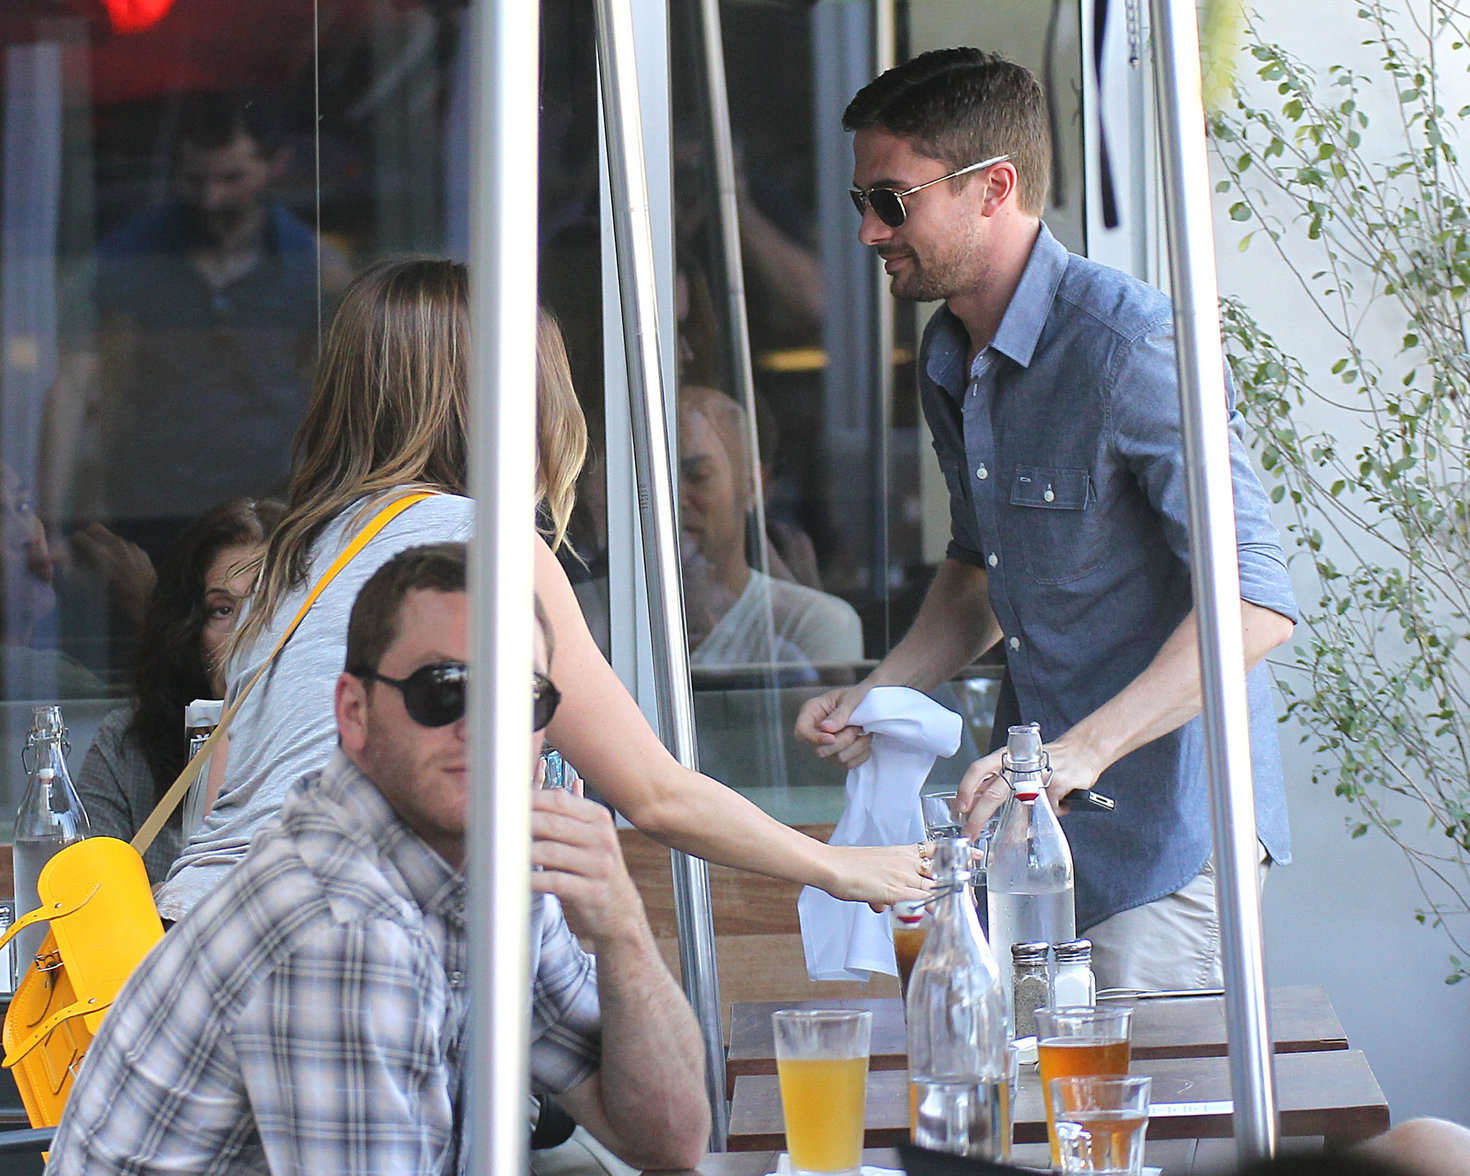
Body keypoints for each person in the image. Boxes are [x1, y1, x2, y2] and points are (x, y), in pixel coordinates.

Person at [155, 256, 923, 923]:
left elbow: (229, 800)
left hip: (198, 932)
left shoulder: (301, 552)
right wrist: (841, 868)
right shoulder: (481, 545)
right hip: (325, 939)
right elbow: (654, 793)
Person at [796, 49, 1299, 990]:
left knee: (1133, 1094)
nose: (868, 229)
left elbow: (1255, 605)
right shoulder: (947, 354)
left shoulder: (1131, 345)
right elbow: (982, 566)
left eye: (892, 200)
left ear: (994, 188)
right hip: (1030, 848)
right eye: (862, 199)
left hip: (1165, 850)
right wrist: (885, 690)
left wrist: (1079, 754)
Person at [47, 543, 709, 1173]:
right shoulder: (340, 925)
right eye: (443, 690)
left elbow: (671, 1136)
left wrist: (623, 928)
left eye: (519, 697)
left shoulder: (488, 871)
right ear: (354, 713)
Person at [40, 90, 350, 570]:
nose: (211, 198)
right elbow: (77, 385)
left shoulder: (314, 266)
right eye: (195, 179)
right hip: (151, 506)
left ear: (276, 165)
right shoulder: (131, 257)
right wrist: (49, 523)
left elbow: (334, 389)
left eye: (232, 178)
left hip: (270, 508)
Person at [74, 497, 283, 884]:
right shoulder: (127, 746)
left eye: (265, 606)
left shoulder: (333, 743)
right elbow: (88, 896)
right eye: (222, 609)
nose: (244, 634)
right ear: (189, 628)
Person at [678, 384, 862, 675]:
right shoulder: (603, 616)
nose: (676, 499)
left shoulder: (811, 624)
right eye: (656, 479)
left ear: (751, 486)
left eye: (698, 477)